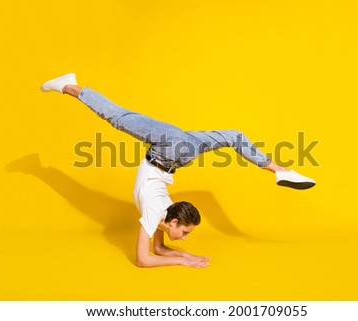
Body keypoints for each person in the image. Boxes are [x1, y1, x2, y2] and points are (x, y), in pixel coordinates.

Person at [41, 73, 316, 268]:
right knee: (118, 117)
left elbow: (151, 255)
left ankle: (280, 170)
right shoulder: (159, 213)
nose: (183, 238)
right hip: (172, 150)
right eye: (184, 233)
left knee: (233, 135)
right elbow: (149, 257)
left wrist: (184, 258)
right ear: (172, 221)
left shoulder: (158, 215)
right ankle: (68, 86)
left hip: (176, 150)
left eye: (184, 235)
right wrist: (183, 259)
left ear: (170, 222)